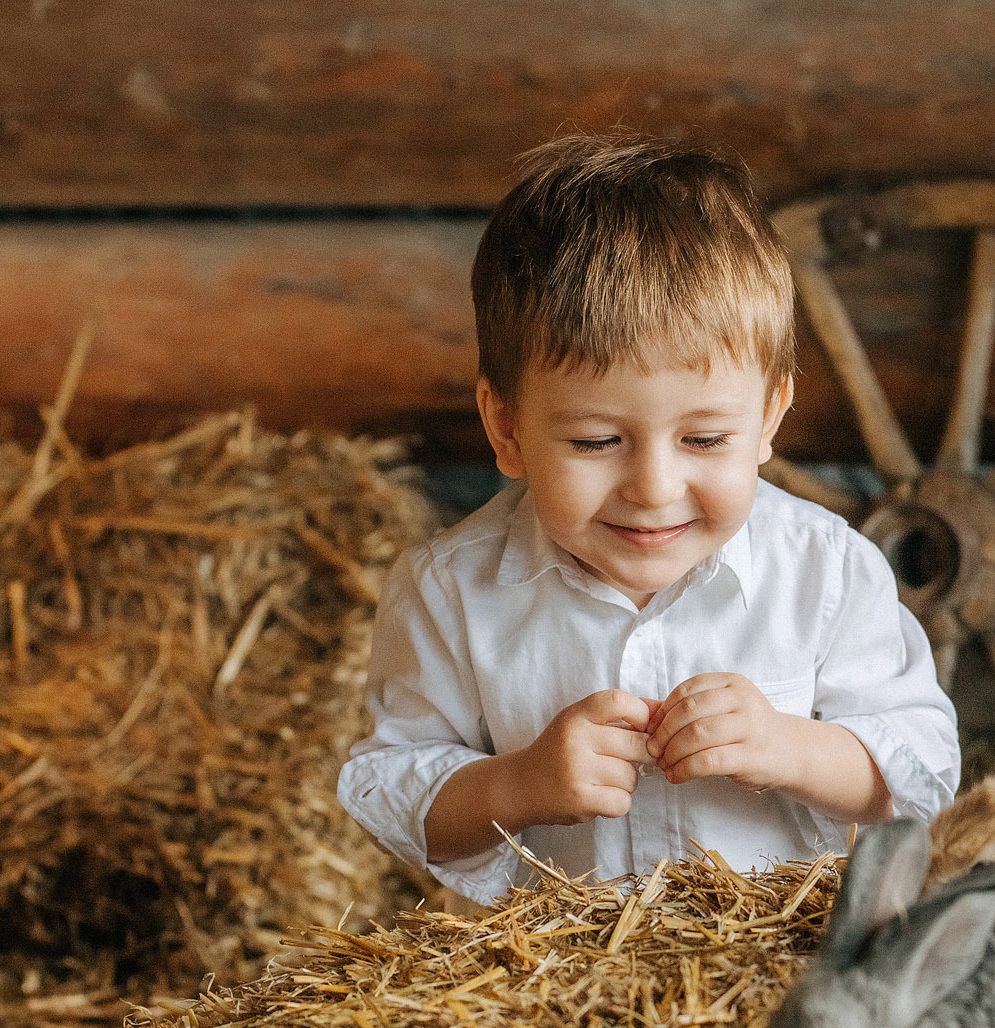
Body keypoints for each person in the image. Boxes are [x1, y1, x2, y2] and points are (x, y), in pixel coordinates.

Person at [339, 134, 959, 906]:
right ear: (506, 429)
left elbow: (921, 775)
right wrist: (517, 786)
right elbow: (396, 797)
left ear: (769, 416)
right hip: (537, 999)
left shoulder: (825, 573)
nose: (655, 487)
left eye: (704, 439)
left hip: (780, 974)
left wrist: (787, 747)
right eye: (597, 442)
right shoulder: (451, 594)